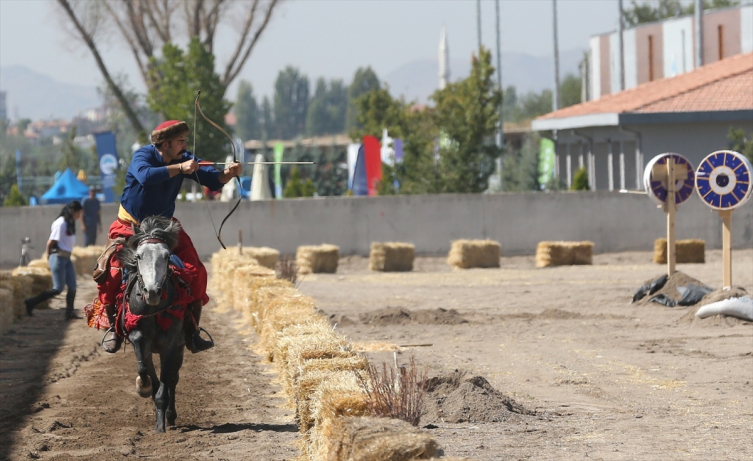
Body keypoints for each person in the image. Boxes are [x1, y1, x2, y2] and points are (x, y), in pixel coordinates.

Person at [97, 120, 241, 354]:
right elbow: (145, 177)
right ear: (164, 145)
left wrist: (228, 173)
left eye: (185, 141)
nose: (185, 145)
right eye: (180, 141)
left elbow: (213, 179)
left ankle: (192, 332)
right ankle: (114, 329)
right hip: (129, 226)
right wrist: (181, 168)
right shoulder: (142, 156)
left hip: (164, 227)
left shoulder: (184, 156)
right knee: (111, 272)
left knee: (196, 270)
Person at [25, 200, 83, 320]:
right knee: (58, 288)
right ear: (73, 211)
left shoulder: (70, 222)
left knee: (72, 286)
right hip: (58, 257)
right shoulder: (60, 223)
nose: (79, 216)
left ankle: (69, 312)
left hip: (67, 258)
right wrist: (48, 254)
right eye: (78, 213)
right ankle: (31, 302)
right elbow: (51, 241)